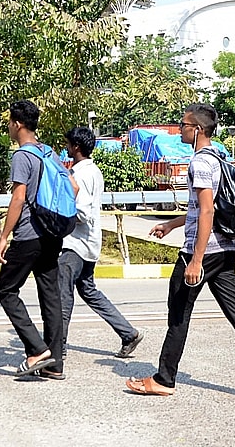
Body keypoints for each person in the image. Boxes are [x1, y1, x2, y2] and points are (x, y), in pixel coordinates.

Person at [126, 103, 235, 403]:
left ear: (197, 129)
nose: (180, 129)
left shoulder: (200, 163)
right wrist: (173, 224)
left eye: (183, 125)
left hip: (203, 251)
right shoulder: (219, 158)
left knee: (178, 312)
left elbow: (208, 210)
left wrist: (196, 259)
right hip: (225, 248)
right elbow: (201, 208)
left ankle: (164, 379)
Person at [0, 100, 75, 381]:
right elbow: (73, 186)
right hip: (52, 235)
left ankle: (37, 349)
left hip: (29, 235)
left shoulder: (22, 156)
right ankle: (55, 364)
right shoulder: (49, 152)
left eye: (9, 122)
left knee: (5, 291)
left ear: (17, 124)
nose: (8, 127)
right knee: (50, 295)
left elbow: (18, 197)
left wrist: (4, 236)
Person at [59, 126, 143, 359]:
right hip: (89, 243)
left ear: (76, 147)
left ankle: (58, 347)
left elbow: (82, 212)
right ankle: (128, 333)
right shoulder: (94, 171)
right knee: (89, 291)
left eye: (68, 144)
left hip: (74, 244)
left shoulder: (80, 174)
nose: (66, 148)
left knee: (62, 295)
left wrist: (58, 217)